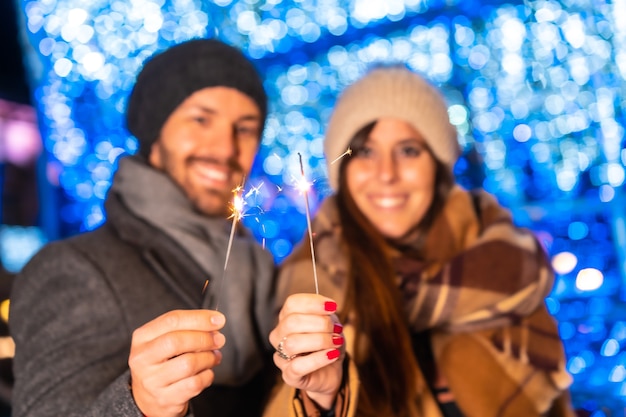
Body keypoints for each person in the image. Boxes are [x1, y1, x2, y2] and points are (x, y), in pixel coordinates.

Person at [265, 65, 576, 417]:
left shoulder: (502, 262)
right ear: (343, 169)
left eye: (409, 150)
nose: (386, 174)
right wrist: (323, 398)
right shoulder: (310, 284)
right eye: (365, 152)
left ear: (437, 166)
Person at [10, 38, 278, 417]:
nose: (225, 147)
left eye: (245, 128)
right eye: (201, 119)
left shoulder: (262, 269)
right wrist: (140, 404)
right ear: (154, 132)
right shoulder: (73, 269)